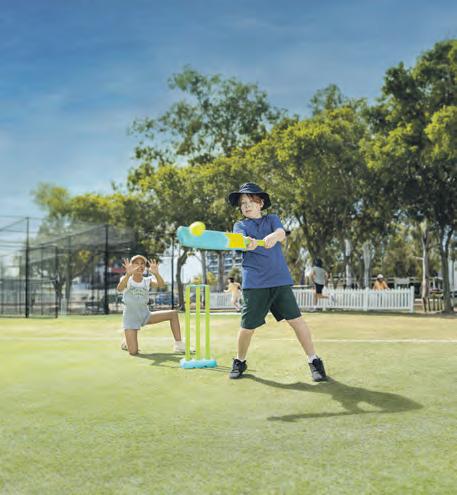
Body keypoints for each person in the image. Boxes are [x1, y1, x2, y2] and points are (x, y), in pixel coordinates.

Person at [227, 182, 327, 381]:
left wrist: (273, 236)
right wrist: (247, 243)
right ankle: (239, 361)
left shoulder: (272, 219)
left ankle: (314, 360)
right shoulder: (240, 226)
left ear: (261, 203)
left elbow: (281, 233)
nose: (246, 206)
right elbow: (239, 240)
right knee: (247, 327)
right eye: (243, 203)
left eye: (250, 201)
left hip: (279, 281)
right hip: (255, 284)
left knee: (297, 321)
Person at [117, 255, 186, 355]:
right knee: (133, 351)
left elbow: (162, 285)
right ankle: (126, 341)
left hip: (145, 315)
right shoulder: (126, 279)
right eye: (136, 263)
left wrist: (156, 274)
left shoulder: (147, 280)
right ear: (131, 266)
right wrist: (128, 275)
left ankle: (179, 345)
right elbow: (119, 288)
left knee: (173, 314)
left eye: (142, 264)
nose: (140, 266)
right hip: (130, 318)